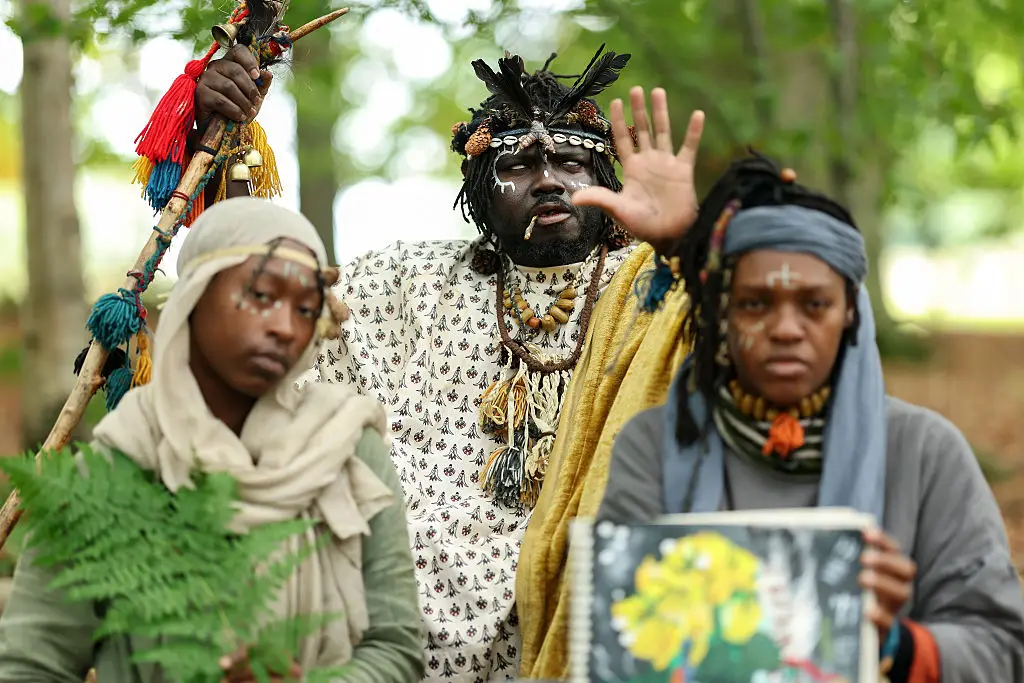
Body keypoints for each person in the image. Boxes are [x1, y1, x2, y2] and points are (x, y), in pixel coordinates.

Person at [190, 43, 702, 682]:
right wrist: (222, 142)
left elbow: (744, 354)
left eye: (571, 161)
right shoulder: (409, 281)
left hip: (592, 605)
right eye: (518, 165)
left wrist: (682, 243)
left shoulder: (658, 285)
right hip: (395, 625)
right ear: (480, 191)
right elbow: (252, 299)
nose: (548, 181)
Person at [596, 149, 1024, 681]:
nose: (786, 329)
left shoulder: (925, 451)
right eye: (756, 303)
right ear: (723, 315)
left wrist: (896, 643)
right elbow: (616, 639)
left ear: (850, 312)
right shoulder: (652, 447)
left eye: (815, 305)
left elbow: (1003, 648)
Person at [0, 197, 424, 683]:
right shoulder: (101, 478)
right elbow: (31, 668)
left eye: (306, 309)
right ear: (195, 297)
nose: (285, 327)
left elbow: (396, 649)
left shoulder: (349, 448)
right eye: (261, 295)